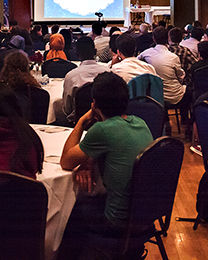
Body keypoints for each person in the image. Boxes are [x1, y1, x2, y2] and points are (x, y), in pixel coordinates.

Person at [59, 72, 154, 254]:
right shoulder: (140, 123)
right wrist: (87, 162)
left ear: (94, 104)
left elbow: (66, 161)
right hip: (144, 216)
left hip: (117, 221)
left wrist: (80, 122)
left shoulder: (102, 129)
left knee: (69, 210)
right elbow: (114, 149)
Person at [62, 37, 108, 123]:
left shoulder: (71, 76)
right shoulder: (108, 73)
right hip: (106, 122)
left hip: (78, 124)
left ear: (76, 53)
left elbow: (67, 110)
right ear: (95, 52)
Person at [138, 26, 187, 107]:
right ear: (168, 38)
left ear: (153, 39)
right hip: (173, 96)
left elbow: (136, 61)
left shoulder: (146, 53)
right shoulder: (173, 57)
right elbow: (181, 77)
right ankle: (185, 119)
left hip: (154, 96)